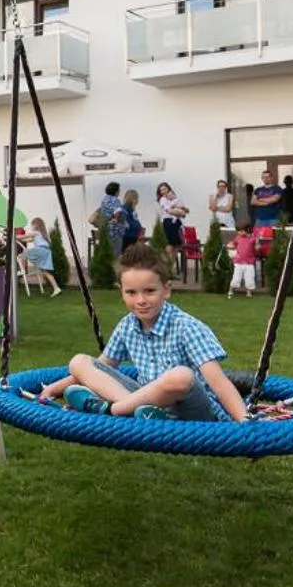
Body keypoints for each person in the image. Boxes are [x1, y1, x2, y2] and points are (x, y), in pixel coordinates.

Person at [40, 244, 249, 422]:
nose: (140, 300)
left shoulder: (187, 327)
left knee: (181, 375)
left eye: (149, 291)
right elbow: (102, 367)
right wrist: (53, 389)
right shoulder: (127, 326)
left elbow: (218, 382)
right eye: (131, 292)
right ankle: (135, 410)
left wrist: (244, 422)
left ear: (166, 290)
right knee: (79, 362)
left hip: (192, 410)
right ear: (121, 291)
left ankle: (113, 409)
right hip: (145, 405)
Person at [22, 217, 59, 296]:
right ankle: (56, 288)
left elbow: (23, 237)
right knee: (44, 271)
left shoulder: (36, 233)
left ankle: (22, 269)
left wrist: (12, 235)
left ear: (36, 225)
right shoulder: (42, 235)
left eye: (32, 225)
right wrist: (18, 238)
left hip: (41, 250)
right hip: (46, 252)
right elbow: (26, 240)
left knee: (24, 253)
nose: (31, 227)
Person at [155, 181, 189, 254]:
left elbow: (184, 209)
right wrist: (181, 213)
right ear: (159, 192)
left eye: (165, 189)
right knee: (170, 244)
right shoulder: (162, 199)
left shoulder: (173, 198)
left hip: (176, 222)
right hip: (168, 222)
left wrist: (182, 211)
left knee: (176, 245)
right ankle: (168, 262)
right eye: (161, 190)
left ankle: (172, 263)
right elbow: (169, 211)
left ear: (168, 189)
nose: (163, 191)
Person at [228, 225, 260, 298]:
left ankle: (249, 292)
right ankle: (231, 290)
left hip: (249, 262)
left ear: (247, 230)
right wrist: (230, 245)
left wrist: (257, 247)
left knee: (249, 277)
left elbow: (257, 249)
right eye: (238, 231)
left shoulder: (253, 239)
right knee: (236, 277)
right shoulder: (238, 238)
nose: (239, 232)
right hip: (238, 261)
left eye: (241, 231)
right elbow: (232, 244)